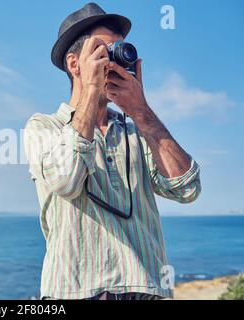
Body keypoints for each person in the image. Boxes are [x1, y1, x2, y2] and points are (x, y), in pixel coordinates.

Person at [23, 2, 201, 300]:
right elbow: (66, 180)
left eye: (119, 52)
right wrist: (92, 93)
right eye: (102, 52)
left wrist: (141, 111)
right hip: (75, 292)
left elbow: (187, 189)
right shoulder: (43, 127)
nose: (114, 62)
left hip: (146, 290)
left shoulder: (137, 131)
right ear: (74, 64)